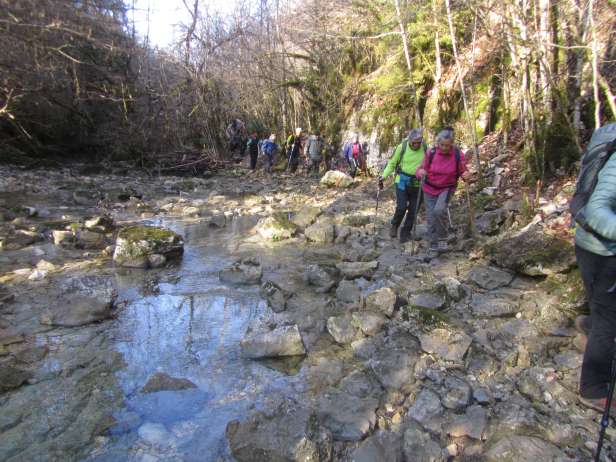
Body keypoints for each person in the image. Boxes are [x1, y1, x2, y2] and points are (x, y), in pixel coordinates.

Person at [573, 122, 616, 412]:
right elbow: (597, 211)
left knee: (603, 311)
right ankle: (594, 389)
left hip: (594, 247)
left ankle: (589, 326)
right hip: (601, 251)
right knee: (609, 318)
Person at [416, 129, 468, 255]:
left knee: (439, 210)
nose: (444, 148)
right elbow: (421, 169)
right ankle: (433, 244)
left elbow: (462, 170)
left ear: (452, 144)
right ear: (438, 143)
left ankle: (442, 239)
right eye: (442, 145)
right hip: (429, 188)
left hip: (447, 188)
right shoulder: (431, 153)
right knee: (431, 217)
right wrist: (420, 172)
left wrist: (466, 175)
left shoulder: (457, 154)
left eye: (447, 145)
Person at [379, 128, 427, 243]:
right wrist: (384, 176)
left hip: (418, 183)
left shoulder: (425, 148)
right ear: (409, 140)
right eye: (414, 143)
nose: (416, 145)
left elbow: (430, 164)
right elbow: (392, 163)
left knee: (414, 210)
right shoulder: (402, 147)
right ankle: (395, 225)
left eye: (419, 142)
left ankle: (405, 233)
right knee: (401, 206)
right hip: (402, 181)